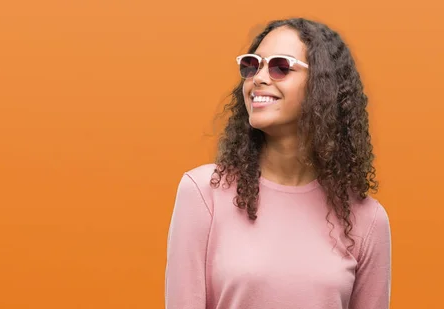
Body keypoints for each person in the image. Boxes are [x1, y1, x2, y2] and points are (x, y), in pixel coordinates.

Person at [164, 18, 392, 309]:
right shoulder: (203, 194)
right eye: (252, 65)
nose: (258, 77)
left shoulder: (366, 219)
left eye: (280, 67)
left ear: (323, 86)